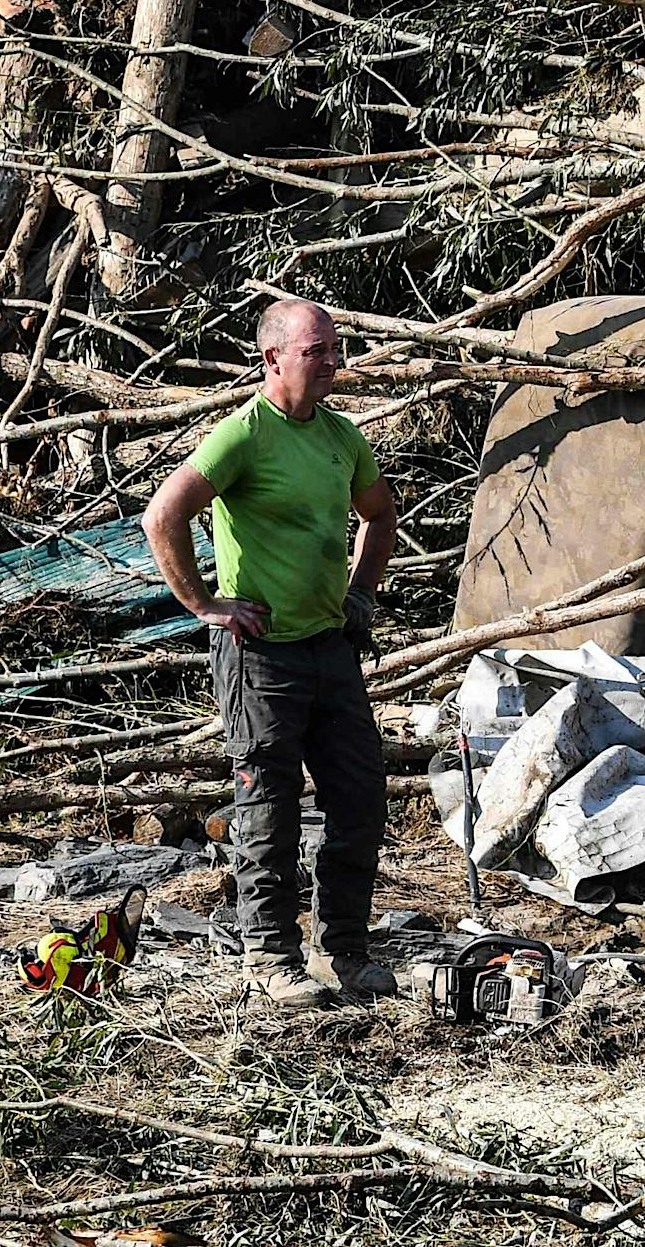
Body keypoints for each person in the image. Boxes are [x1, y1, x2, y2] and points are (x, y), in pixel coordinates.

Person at [144, 298, 399, 1008]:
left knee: (359, 797)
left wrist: (360, 599)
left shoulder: (343, 437)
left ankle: (344, 948)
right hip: (261, 658)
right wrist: (203, 604)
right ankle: (269, 954)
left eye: (335, 348)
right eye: (317, 350)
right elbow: (163, 515)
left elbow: (380, 515)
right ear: (274, 358)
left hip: (329, 648)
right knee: (269, 810)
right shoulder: (242, 437)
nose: (332, 362)